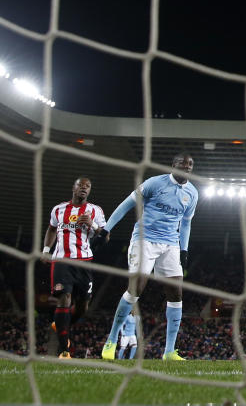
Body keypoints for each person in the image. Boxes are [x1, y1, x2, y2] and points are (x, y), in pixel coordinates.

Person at [100, 152, 199, 361]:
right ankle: (111, 340)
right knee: (136, 288)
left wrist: (184, 249)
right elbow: (127, 203)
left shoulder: (192, 193)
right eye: (183, 163)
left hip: (171, 244)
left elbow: (186, 223)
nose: (187, 167)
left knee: (176, 293)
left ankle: (169, 351)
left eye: (190, 164)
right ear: (173, 165)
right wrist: (106, 229)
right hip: (144, 239)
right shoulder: (155, 183)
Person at [40, 176, 108, 358]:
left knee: (83, 306)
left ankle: (61, 325)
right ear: (74, 188)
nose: (84, 188)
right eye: (81, 185)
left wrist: (92, 225)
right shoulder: (59, 209)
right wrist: (46, 250)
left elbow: (105, 237)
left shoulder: (95, 210)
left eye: (88, 186)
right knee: (65, 298)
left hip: (85, 262)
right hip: (62, 261)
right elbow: (52, 229)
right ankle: (64, 350)